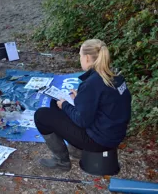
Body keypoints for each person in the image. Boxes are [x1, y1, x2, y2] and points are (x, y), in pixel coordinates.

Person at [34, 39, 131, 171]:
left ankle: (61, 162)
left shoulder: (91, 84)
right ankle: (75, 150)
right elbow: (106, 102)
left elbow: (82, 121)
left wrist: (66, 105)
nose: (79, 59)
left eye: (80, 56)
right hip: (114, 133)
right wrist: (80, 98)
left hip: (99, 141)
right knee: (54, 103)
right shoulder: (115, 75)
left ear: (86, 58)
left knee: (41, 115)